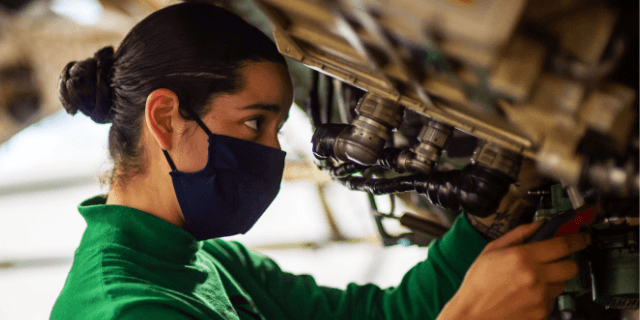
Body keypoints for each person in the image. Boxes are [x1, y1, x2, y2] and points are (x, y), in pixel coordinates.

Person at [50, 3, 590, 320]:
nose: (273, 152)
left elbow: (382, 317)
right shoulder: (128, 308)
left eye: (279, 127)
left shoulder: (208, 263)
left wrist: (482, 224)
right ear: (166, 118)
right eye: (253, 123)